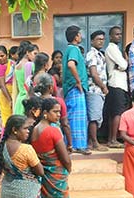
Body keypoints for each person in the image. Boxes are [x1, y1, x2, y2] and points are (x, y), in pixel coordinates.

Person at [62, 25, 91, 155]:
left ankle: (73, 144)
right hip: (75, 87)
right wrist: (78, 81)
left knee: (74, 116)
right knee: (78, 116)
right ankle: (78, 145)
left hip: (70, 87)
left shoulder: (68, 49)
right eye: (79, 34)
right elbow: (71, 64)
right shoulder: (74, 49)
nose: (81, 36)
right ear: (75, 36)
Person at [104, 25, 130, 148]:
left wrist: (120, 65)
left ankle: (111, 139)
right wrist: (122, 64)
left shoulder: (116, 49)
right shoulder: (112, 49)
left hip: (118, 84)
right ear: (110, 36)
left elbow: (121, 65)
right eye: (116, 34)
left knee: (114, 113)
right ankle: (113, 139)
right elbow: (124, 65)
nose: (118, 36)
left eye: (120, 34)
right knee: (117, 113)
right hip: (116, 84)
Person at [85, 30, 109, 151]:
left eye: (103, 39)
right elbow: (94, 74)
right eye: (98, 39)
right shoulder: (92, 54)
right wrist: (104, 87)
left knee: (97, 116)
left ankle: (91, 141)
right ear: (92, 41)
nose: (101, 41)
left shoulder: (100, 54)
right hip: (94, 89)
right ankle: (94, 142)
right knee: (94, 117)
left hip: (98, 90)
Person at [33, 74, 72, 146]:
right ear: (51, 87)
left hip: (37, 135)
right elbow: (65, 124)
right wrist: (69, 143)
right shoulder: (58, 101)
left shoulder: (34, 101)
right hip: (56, 136)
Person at [13, 43, 38, 115]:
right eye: (34, 54)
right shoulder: (31, 65)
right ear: (27, 53)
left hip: (19, 100)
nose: (35, 57)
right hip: (28, 99)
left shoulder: (17, 67)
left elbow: (16, 88)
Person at [0, 45, 14, 127]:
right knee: (7, 118)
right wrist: (10, 100)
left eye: (2, 56)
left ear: (7, 55)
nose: (0, 58)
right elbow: (2, 86)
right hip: (5, 94)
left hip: (14, 91)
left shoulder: (12, 63)